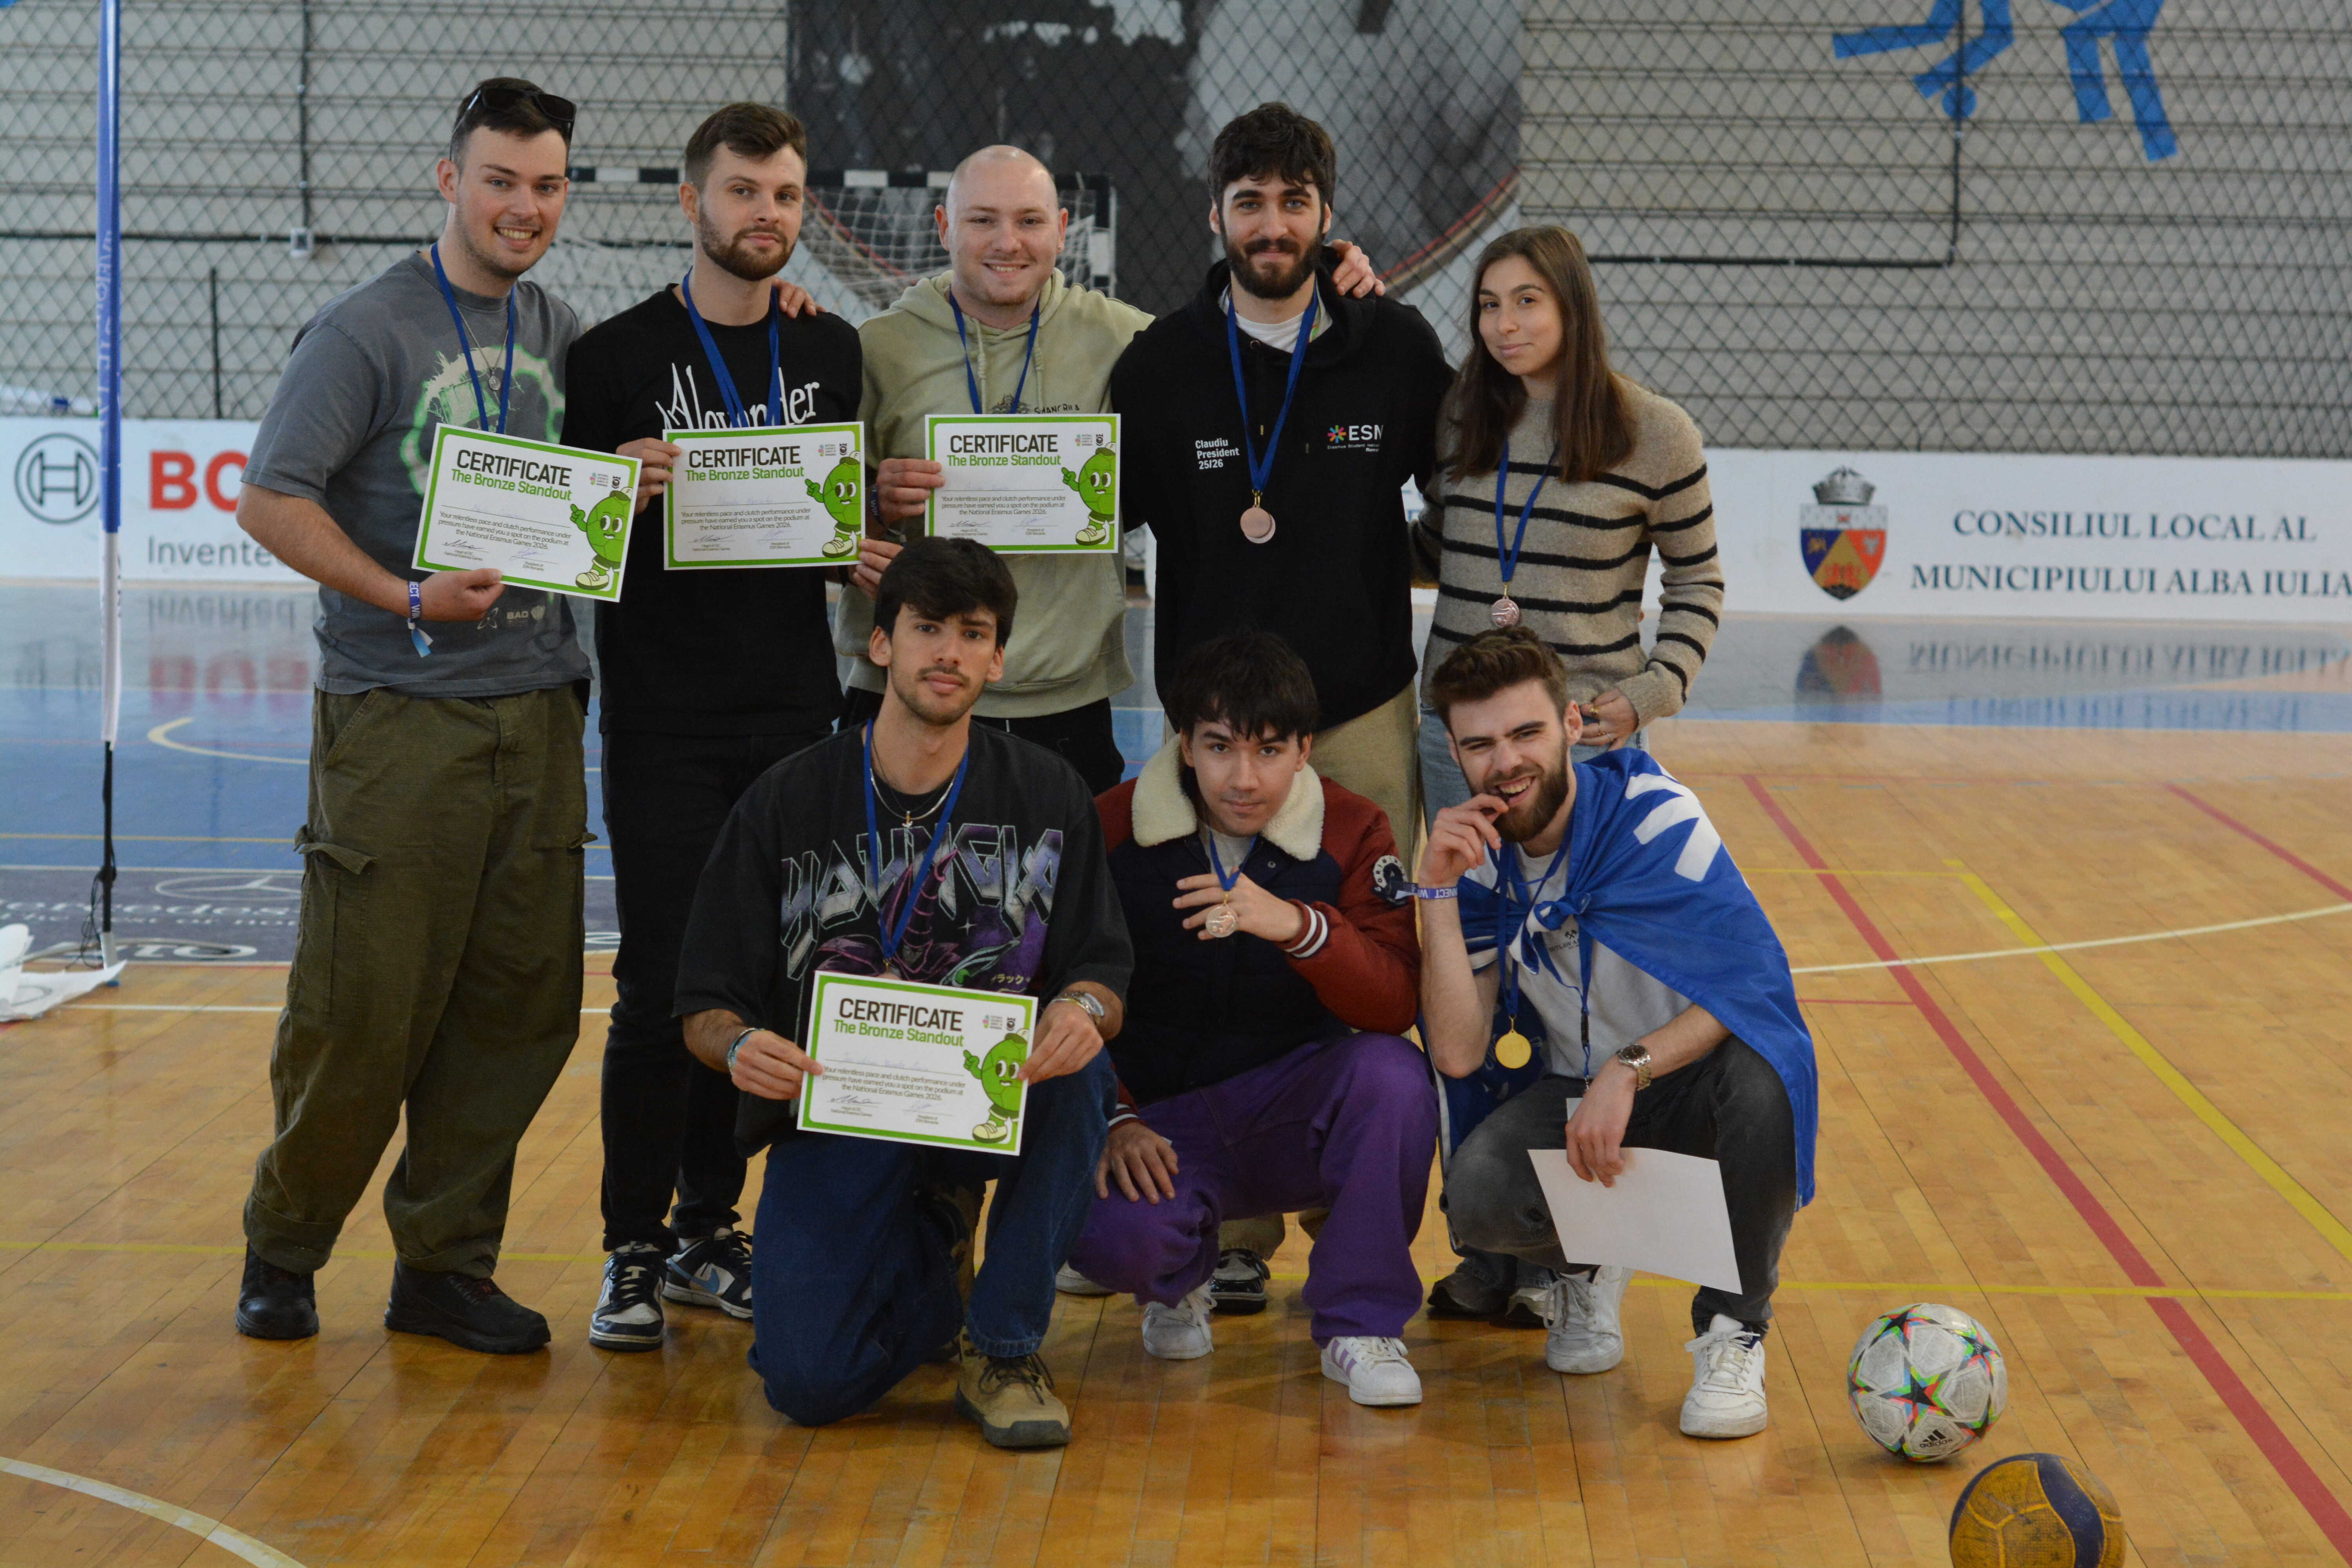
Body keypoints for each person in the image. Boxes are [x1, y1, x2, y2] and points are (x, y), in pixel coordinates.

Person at [229, 80, 590, 1353]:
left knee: (517, 1007)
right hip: (402, 716)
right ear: (450, 181)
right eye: (501, 180)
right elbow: (270, 499)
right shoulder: (366, 329)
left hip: (540, 718)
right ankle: (286, 1244)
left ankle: (444, 1264)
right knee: (365, 1006)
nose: (524, 207)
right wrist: (404, 594)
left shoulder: (560, 326)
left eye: (547, 185)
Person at [672, 536, 1132, 1449]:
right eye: (927, 628)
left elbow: (1101, 972)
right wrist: (736, 1047)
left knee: (1084, 1071)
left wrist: (1080, 1011)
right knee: (808, 1384)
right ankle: (935, 1240)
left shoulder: (1048, 791)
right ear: (880, 644)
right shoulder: (785, 800)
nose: (949, 653)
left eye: (973, 633)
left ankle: (1002, 1346)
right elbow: (703, 1001)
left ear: (999, 657)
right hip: (839, 1108)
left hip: (989, 1096)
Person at [557, 103, 860, 1353]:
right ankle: (631, 1246)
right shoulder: (616, 355)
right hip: (666, 724)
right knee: (656, 987)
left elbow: (842, 524)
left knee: (777, 989)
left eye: (785, 195)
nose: (766, 215)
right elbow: (564, 543)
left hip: (796, 717)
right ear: (693, 202)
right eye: (743, 192)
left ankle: (709, 1229)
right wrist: (612, 488)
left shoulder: (831, 348)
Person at [836, 146, 1388, 796]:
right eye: (982, 220)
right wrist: (874, 501)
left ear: (1065, 229)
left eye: (1031, 221)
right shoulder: (875, 346)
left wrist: (1324, 266)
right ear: (943, 226)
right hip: (909, 690)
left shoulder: (1131, 342)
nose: (1007, 243)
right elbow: (823, 518)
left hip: (1062, 700)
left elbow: (1259, 343)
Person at [1410, 225, 1724, 1324]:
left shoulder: (1652, 433)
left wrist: (1641, 698)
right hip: (1455, 748)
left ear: (1574, 308)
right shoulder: (1457, 416)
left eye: (1528, 302)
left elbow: (1698, 589)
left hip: (1580, 765)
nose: (1506, 325)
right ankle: (1495, 1241)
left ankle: (1580, 1243)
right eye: (1489, 305)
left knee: (1571, 1005)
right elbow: (1435, 541)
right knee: (1463, 983)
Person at [1414, 628, 1817, 1440]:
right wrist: (1436, 893)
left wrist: (1629, 1067)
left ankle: (1733, 1329)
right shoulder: (1480, 859)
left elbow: (1751, 985)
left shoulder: (1655, 813)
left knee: (1767, 1074)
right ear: (1454, 753)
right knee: (1478, 1198)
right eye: (1481, 744)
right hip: (1569, 1092)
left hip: (1685, 1078)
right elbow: (1457, 1050)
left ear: (1570, 723)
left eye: (1526, 732)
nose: (1507, 762)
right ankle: (1585, 1264)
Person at [1066, 632, 1432, 1406]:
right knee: (1104, 1236)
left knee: (1394, 1076)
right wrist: (1116, 1116)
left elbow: (1397, 998)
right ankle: (1174, 1281)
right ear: (1184, 744)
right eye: (1220, 746)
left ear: (1304, 749)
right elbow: (1055, 992)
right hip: (1159, 1131)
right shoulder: (1110, 825)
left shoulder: (1356, 828)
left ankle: (1360, 1324)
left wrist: (1300, 926)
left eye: (1269, 750)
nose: (1243, 776)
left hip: (1290, 1112)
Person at [1111, 101, 1454, 855]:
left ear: (1327, 214)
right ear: (1216, 216)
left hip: (1361, 710)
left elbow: (1467, 483)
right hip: (1214, 726)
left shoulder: (1396, 349)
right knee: (1216, 942)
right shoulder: (1158, 366)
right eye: (1250, 203)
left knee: (1376, 936)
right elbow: (1100, 514)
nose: (1273, 226)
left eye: (1295, 202)